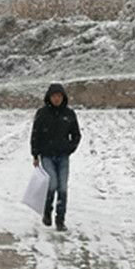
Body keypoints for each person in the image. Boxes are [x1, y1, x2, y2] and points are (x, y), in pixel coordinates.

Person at [30, 83, 82, 231]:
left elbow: (76, 135)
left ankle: (60, 220)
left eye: (59, 96)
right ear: (49, 97)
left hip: (63, 157)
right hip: (47, 156)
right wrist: (35, 154)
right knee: (52, 184)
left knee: (63, 188)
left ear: (63, 97)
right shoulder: (42, 113)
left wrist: (70, 148)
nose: (57, 99)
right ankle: (47, 212)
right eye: (54, 96)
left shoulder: (69, 114)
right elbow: (35, 135)